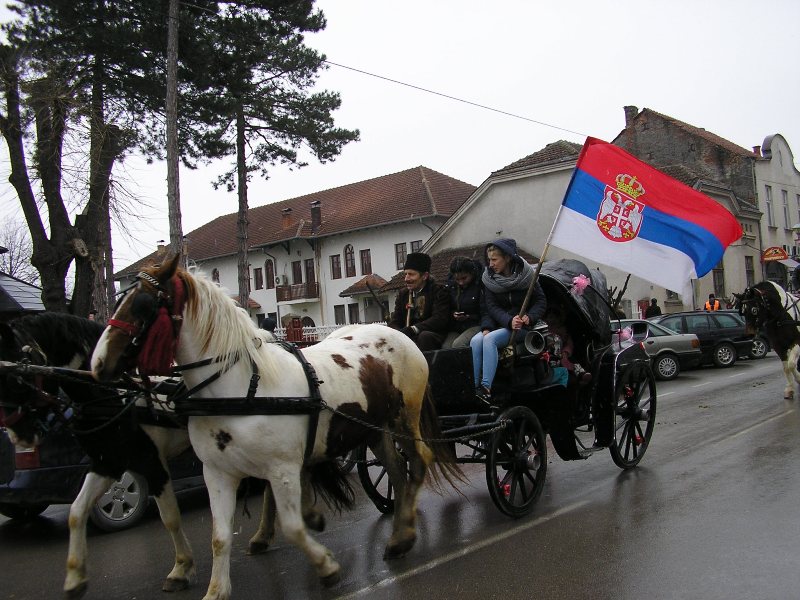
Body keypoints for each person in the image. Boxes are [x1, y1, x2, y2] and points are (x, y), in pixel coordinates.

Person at [470, 239, 547, 403]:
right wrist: (508, 320)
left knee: (489, 340)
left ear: (508, 258)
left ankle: (486, 388)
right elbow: (491, 306)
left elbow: (540, 301)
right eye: (489, 259)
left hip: (522, 328)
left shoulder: (528, 277)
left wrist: (530, 316)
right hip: (503, 324)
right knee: (476, 341)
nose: (490, 264)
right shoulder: (489, 279)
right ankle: (475, 386)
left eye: (494, 259)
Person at [388, 252, 450, 351]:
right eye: (406, 274)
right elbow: (395, 320)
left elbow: (439, 319)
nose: (406, 279)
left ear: (425, 276)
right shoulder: (403, 294)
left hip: (433, 335)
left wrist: (414, 329)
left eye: (411, 274)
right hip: (409, 336)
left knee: (424, 336)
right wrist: (398, 333)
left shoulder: (439, 291)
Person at [443, 256, 484, 348]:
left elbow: (485, 310)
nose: (461, 283)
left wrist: (470, 317)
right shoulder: (451, 287)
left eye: (464, 278)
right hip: (456, 327)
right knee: (446, 348)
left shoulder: (480, 286)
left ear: (472, 274)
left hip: (476, 324)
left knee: (458, 345)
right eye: (457, 279)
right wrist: (453, 314)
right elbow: (446, 307)